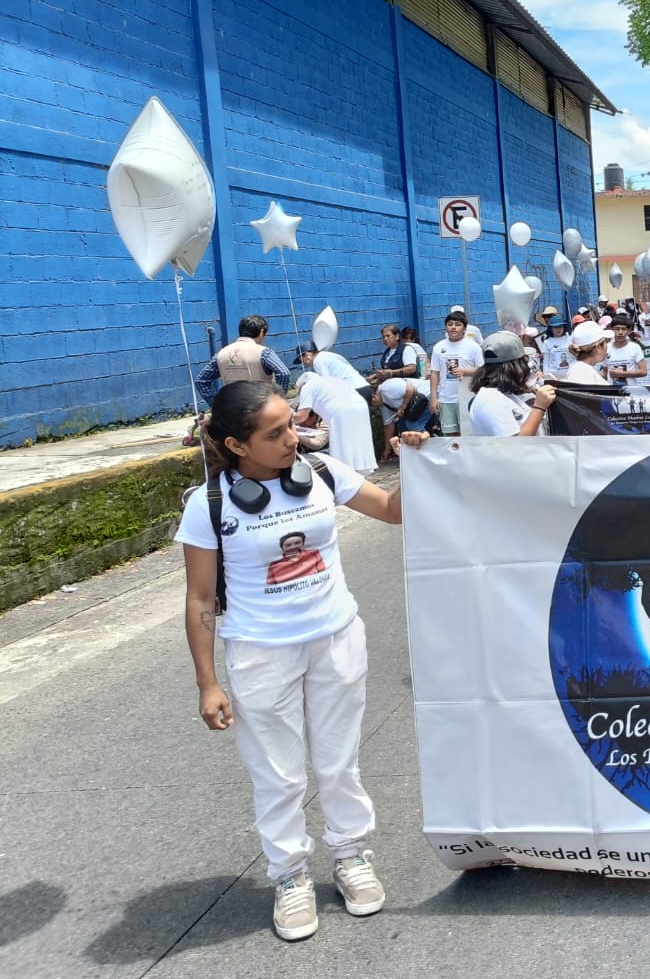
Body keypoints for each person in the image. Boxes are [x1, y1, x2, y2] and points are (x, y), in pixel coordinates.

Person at [177, 381, 426, 940]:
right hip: (261, 654)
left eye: (291, 424)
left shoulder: (321, 472)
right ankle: (289, 875)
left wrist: (415, 460)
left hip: (336, 638)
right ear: (237, 446)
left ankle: (351, 855)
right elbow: (198, 600)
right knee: (279, 776)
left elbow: (391, 510)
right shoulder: (208, 506)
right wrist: (207, 682)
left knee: (340, 762)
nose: (294, 437)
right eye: (276, 433)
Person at [467, 331, 557, 436]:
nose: (527, 367)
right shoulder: (489, 399)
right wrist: (539, 407)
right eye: (524, 362)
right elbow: (515, 444)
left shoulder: (504, 394)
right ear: (514, 367)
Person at [195, 315, 292, 404]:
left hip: (232, 409)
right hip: (260, 408)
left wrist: (216, 404)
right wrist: (278, 399)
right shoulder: (264, 353)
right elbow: (284, 373)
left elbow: (201, 381)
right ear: (262, 332)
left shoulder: (221, 354)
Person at [293, 373, 377, 475]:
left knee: (342, 450)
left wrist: (286, 419)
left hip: (341, 411)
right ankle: (361, 474)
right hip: (360, 407)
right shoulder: (331, 381)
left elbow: (301, 417)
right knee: (359, 444)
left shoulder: (308, 387)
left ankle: (346, 476)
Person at [428, 311, 483, 437]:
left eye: (457, 324)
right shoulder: (438, 347)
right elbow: (434, 373)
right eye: (450, 324)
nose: (453, 327)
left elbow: (483, 369)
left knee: (469, 434)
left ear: (464, 328)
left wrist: (465, 371)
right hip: (446, 398)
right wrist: (434, 398)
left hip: (468, 397)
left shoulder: (473, 347)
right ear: (445, 327)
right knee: (451, 436)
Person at [371, 376, 432, 458]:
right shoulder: (384, 405)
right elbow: (388, 426)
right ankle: (410, 454)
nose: (374, 407)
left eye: (372, 404)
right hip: (414, 407)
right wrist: (387, 450)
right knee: (403, 430)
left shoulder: (386, 388)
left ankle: (427, 453)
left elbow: (410, 389)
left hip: (427, 394)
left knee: (413, 426)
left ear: (374, 397)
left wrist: (403, 407)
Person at [300, 344, 374, 405]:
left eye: (302, 360)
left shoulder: (317, 361)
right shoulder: (328, 355)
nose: (303, 363)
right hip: (365, 387)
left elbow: (327, 384)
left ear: (307, 354)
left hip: (354, 392)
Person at [601, 316, 647, 384]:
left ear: (629, 331)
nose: (620, 332)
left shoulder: (635, 347)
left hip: (630, 390)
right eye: (617, 329)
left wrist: (623, 373)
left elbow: (643, 371)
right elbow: (605, 371)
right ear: (611, 329)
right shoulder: (606, 347)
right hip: (611, 391)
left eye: (623, 329)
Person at [540, 315, 573, 380]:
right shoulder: (547, 342)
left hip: (569, 376)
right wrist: (546, 376)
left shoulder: (569, 340)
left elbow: (573, 358)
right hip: (553, 378)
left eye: (560, 327)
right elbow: (546, 361)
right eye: (556, 327)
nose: (559, 329)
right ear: (551, 328)